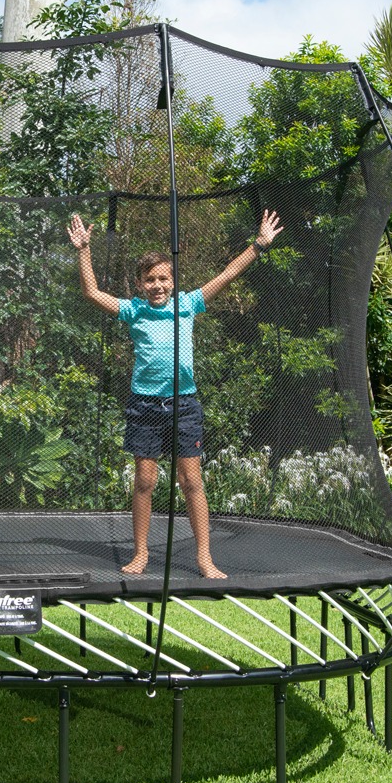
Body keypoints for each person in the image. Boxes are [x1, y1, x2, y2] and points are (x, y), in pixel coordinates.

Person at [67, 210, 283, 578]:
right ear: (139, 284)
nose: (157, 285)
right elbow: (91, 292)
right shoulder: (133, 310)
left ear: (173, 280)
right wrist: (84, 250)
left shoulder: (186, 304)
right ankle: (140, 554)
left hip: (184, 405)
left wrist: (259, 246)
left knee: (191, 481)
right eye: (150, 280)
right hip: (144, 405)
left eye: (163, 278)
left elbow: (228, 274)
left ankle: (204, 557)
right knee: (146, 481)